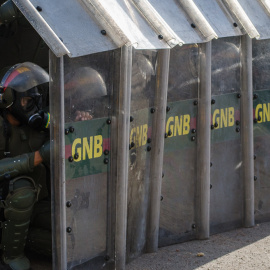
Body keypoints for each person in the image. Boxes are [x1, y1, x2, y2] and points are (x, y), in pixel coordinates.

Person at [0, 62, 51, 270]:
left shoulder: (39, 125)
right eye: (28, 101)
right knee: (22, 192)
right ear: (11, 101)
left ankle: (15, 235)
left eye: (36, 101)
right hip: (9, 201)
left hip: (39, 201)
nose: (35, 109)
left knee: (68, 236)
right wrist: (38, 157)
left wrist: (79, 120)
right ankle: (11, 256)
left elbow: (68, 133)